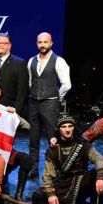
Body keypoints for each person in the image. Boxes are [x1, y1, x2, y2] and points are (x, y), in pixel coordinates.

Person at [33, 114, 103, 204]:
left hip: (82, 181)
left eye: (70, 126)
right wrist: (51, 195)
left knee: (101, 173)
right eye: (63, 127)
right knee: (37, 197)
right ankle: (73, 201)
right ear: (59, 129)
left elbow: (100, 160)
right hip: (63, 183)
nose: (67, 130)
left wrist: (100, 178)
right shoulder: (53, 150)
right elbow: (47, 175)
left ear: (74, 128)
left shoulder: (83, 145)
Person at [27, 32, 71, 179]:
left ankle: (57, 170)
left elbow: (66, 84)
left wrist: (56, 98)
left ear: (51, 43)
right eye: (40, 42)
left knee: (53, 138)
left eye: (45, 42)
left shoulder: (58, 61)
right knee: (33, 139)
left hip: (50, 103)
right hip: (33, 103)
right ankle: (33, 169)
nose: (42, 45)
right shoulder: (31, 61)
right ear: (36, 43)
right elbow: (31, 82)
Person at [0, 80, 32, 200]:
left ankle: (18, 196)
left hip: (3, 150)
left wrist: (14, 115)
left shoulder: (5, 110)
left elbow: (27, 126)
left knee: (26, 159)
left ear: (1, 93)